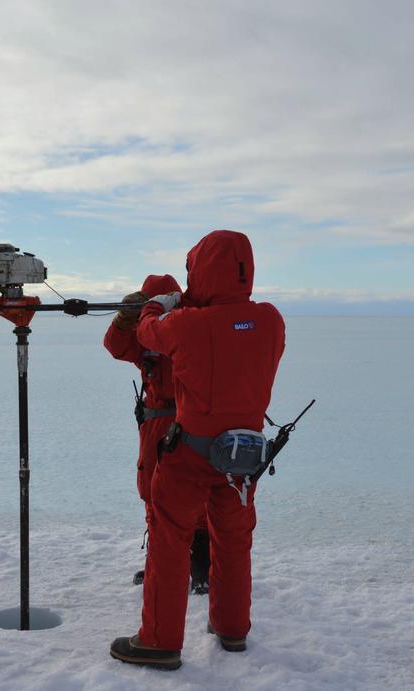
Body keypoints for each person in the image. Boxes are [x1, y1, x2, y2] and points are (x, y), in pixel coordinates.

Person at [110, 230, 285, 670]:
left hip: (188, 454)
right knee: (234, 542)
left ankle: (159, 641)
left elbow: (150, 333)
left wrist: (156, 306)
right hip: (243, 458)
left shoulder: (187, 325)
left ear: (201, 270)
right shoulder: (270, 320)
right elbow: (238, 337)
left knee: (169, 544)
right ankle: (232, 629)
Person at [104, 275, 210, 592]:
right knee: (152, 492)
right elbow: (116, 346)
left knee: (196, 497)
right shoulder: (145, 336)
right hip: (156, 426)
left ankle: (201, 568)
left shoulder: (191, 328)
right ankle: (161, 565)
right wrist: (125, 319)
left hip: (189, 423)